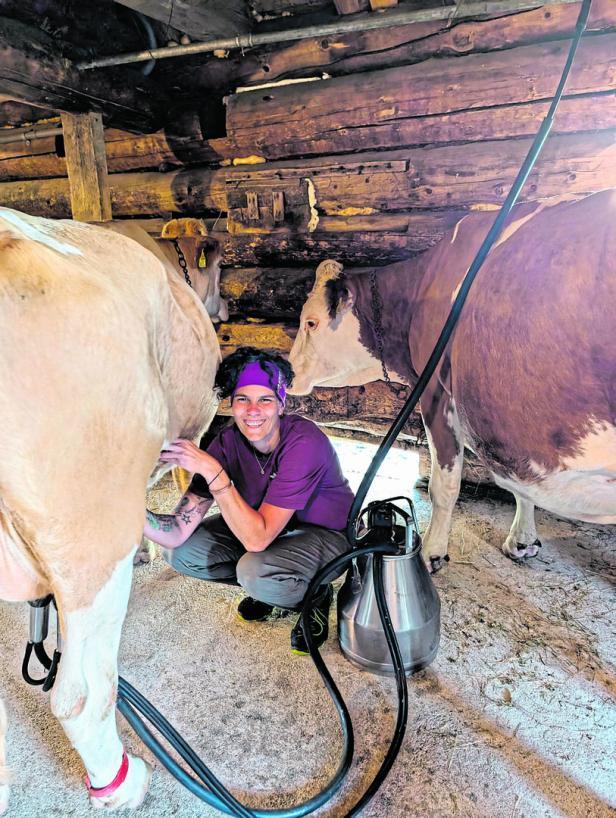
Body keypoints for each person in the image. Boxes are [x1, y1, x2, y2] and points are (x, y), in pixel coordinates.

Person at [144, 347, 354, 655]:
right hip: (270, 532)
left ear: (281, 405)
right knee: (181, 553)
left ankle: (313, 594)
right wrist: (127, 508)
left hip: (326, 536)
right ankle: (273, 589)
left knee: (254, 571)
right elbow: (176, 531)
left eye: (265, 399)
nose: (253, 410)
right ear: (232, 404)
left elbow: (257, 539)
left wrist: (213, 471)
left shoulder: (304, 442)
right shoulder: (227, 444)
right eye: (243, 399)